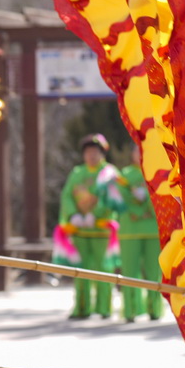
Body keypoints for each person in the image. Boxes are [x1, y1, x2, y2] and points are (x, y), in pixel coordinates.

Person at [57, 133, 118, 319]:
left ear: (102, 153)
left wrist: (96, 214)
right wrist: (74, 215)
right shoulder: (77, 173)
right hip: (80, 230)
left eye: (95, 152)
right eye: (88, 152)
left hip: (101, 230)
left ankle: (104, 308)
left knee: (103, 269)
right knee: (79, 270)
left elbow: (112, 197)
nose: (91, 155)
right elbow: (67, 196)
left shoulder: (109, 173)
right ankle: (82, 307)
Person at [108, 144, 163, 321]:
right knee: (129, 272)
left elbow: (161, 196)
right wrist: (139, 211)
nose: (140, 152)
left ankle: (154, 309)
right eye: (136, 149)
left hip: (152, 230)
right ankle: (130, 310)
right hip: (129, 230)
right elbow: (118, 197)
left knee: (154, 272)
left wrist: (146, 202)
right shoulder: (122, 175)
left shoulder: (156, 173)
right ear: (131, 153)